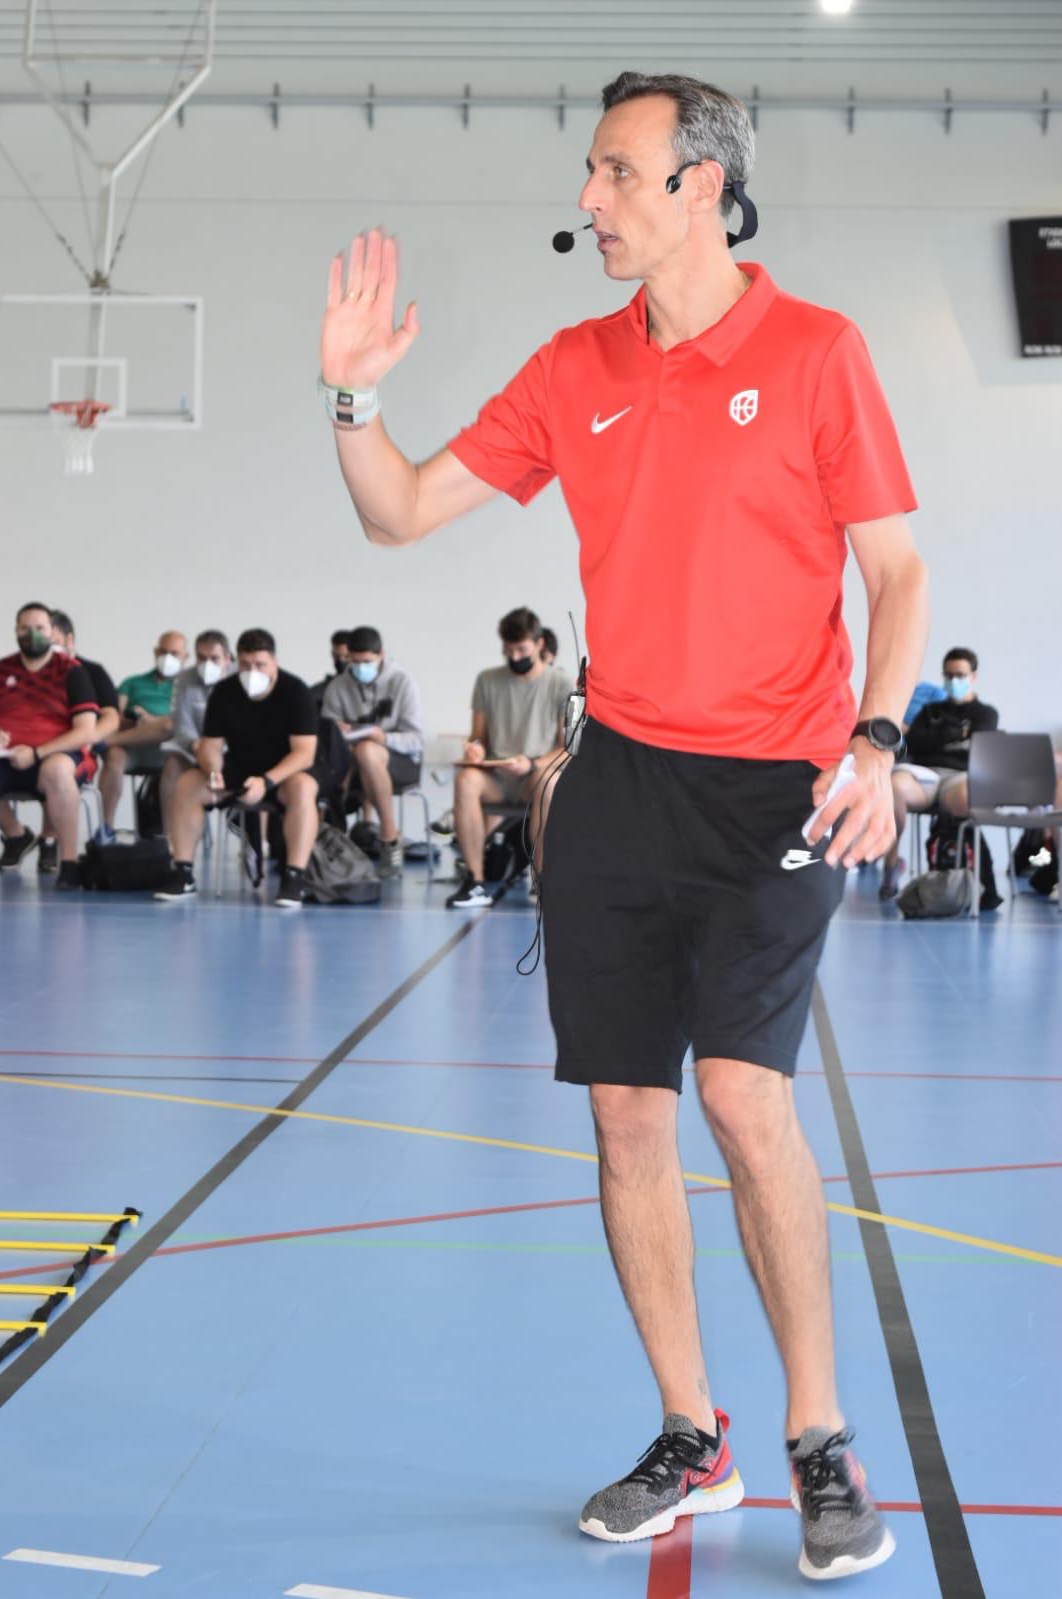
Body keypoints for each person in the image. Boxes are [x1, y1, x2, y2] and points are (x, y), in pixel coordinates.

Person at [319, 70, 929, 1581]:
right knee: (626, 1112)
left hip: (776, 783)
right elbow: (394, 510)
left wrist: (873, 737)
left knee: (740, 1093)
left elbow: (896, 573)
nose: (586, 197)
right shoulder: (572, 365)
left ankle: (817, 1432)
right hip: (614, 783)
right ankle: (688, 1427)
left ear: (699, 187)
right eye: (589, 173)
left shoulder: (815, 352)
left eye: (614, 171)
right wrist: (350, 396)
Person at [154, 628, 320, 909]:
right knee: (187, 785)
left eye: (260, 665)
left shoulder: (296, 691)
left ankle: (294, 877)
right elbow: (211, 746)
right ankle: (183, 872)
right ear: (235, 662)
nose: (251, 671)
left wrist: (266, 782)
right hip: (239, 766)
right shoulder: (224, 691)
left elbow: (305, 754)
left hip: (284, 772)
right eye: (245, 664)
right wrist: (212, 771)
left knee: (304, 788)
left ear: (274, 663)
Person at [444, 607, 572, 908]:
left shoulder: (561, 684)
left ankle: (543, 880)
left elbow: (566, 745)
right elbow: (479, 736)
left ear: (539, 645)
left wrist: (532, 763)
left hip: (535, 772)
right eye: (508, 650)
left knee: (549, 783)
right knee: (466, 780)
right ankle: (474, 881)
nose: (515, 657)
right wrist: (474, 748)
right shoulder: (487, 680)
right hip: (498, 774)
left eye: (521, 649)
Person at [0, 607, 119, 874]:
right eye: (24, 628)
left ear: (53, 633)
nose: (32, 635)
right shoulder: (0, 669)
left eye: (39, 628)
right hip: (6, 758)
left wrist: (37, 753)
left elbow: (89, 728)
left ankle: (68, 861)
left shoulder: (75, 672)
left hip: (57, 755)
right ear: (15, 631)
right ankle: (16, 836)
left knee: (57, 770)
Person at [880, 647, 999, 900]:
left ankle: (962, 875)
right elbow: (915, 743)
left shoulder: (985, 714)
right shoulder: (930, 710)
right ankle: (890, 866)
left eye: (960, 675)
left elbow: (981, 748)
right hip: (925, 775)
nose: (954, 680)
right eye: (949, 675)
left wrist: (937, 735)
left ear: (973, 676)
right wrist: (956, 733)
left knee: (967, 796)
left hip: (959, 777)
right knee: (894, 786)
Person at [322, 625, 424, 878]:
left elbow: (415, 740)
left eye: (366, 662)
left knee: (367, 750)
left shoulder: (402, 682)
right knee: (356, 753)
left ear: (381, 655)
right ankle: (330, 838)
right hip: (350, 762)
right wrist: (337, 731)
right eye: (354, 662)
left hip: (399, 761)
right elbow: (326, 735)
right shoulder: (338, 686)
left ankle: (389, 838)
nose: (359, 668)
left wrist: (383, 737)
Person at [98, 629, 188, 837]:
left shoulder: (187, 685)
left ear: (185, 656)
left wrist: (152, 722)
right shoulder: (132, 683)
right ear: (156, 652)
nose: (167, 658)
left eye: (174, 653)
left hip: (169, 749)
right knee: (114, 756)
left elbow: (186, 723)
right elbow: (115, 717)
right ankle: (105, 828)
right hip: (133, 743)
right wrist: (137, 719)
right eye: (163, 652)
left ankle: (168, 836)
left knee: (167, 725)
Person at [159, 630, 236, 834]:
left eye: (214, 658)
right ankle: (170, 836)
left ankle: (256, 842)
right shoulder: (185, 678)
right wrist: (195, 745)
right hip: (193, 747)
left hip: (230, 751)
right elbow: (180, 721)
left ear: (227, 659)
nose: (207, 664)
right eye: (202, 658)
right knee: (172, 766)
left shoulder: (239, 681)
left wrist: (213, 751)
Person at [310, 628, 357, 706]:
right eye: (337, 656)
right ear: (332, 654)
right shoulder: (318, 693)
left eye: (347, 656)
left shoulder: (370, 690)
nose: (341, 661)